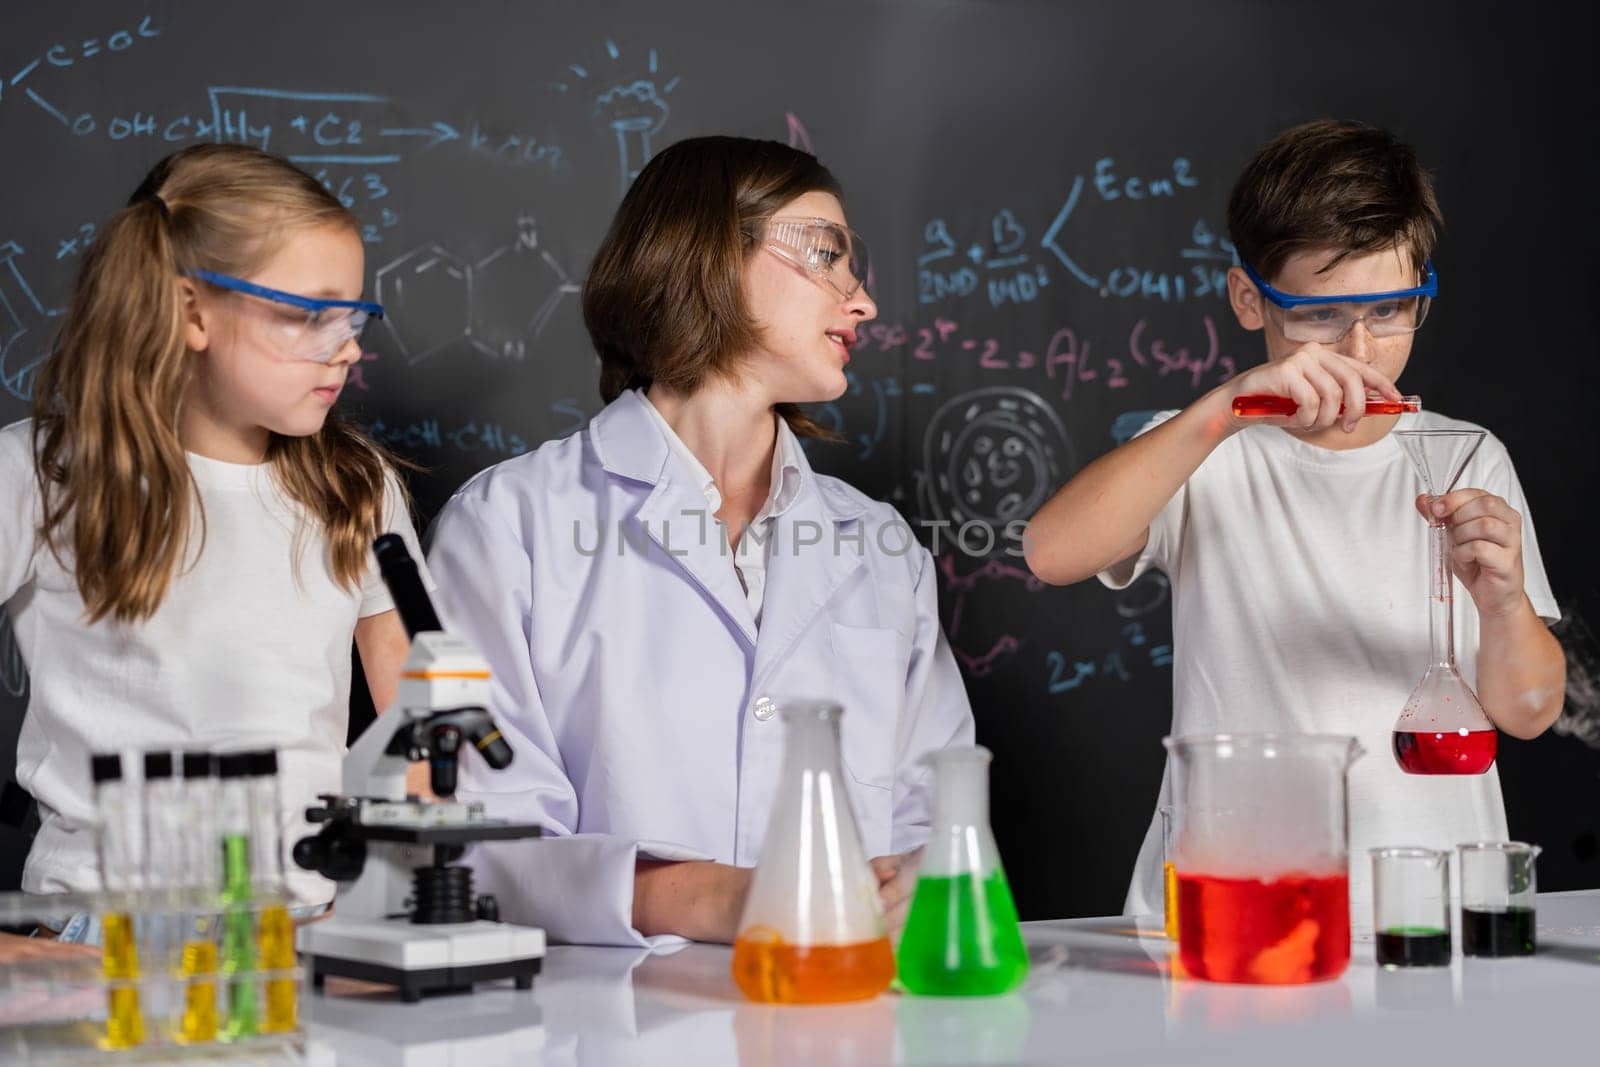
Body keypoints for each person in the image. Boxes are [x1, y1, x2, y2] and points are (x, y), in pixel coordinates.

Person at [427, 136, 974, 947]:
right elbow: (478, 841)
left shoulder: (878, 545)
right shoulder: (510, 524)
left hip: (847, 1010)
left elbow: (933, 816)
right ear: (710, 255)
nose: (860, 302)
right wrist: (724, 901)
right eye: (828, 255)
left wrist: (910, 886)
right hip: (606, 1027)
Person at [1023, 119, 1564, 920]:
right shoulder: (1207, 450)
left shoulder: (1464, 457)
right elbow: (1051, 553)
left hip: (1429, 897)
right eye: (1322, 316)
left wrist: (1506, 602)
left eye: (1390, 311)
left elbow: (1528, 712)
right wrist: (1222, 411)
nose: (1360, 349)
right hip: (1232, 897)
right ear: (1250, 299)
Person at [0, 144, 426, 957]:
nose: (347, 347)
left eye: (354, 315)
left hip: (297, 942)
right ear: (192, 310)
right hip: (106, 948)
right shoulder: (43, 474)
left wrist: (387, 895)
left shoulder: (357, 486)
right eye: (308, 314)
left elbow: (425, 704)